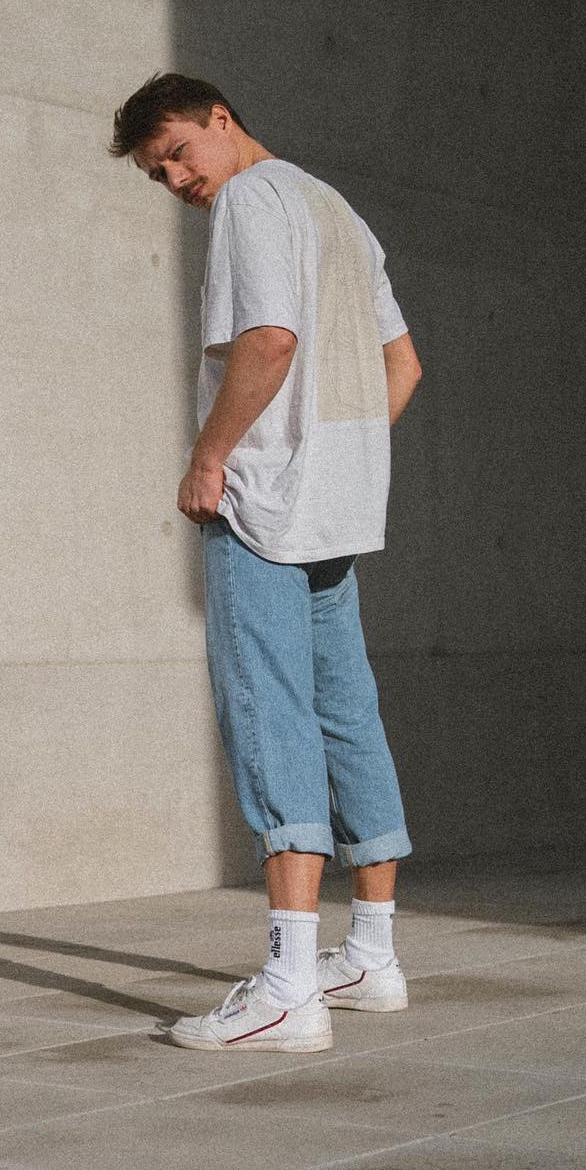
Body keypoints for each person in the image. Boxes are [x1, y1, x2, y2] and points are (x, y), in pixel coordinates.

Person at [110, 73, 423, 1052]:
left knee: (268, 714)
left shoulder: (250, 199)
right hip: (333, 509)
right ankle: (371, 954)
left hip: (263, 508)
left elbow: (271, 339)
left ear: (222, 120)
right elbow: (403, 365)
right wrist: (338, 458)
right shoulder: (336, 210)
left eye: (177, 152)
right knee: (349, 714)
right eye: (157, 173)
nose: (175, 179)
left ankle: (289, 985)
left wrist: (211, 457)